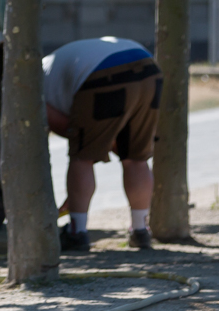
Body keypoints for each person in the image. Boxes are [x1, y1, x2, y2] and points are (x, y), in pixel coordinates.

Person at [42, 37, 162, 252]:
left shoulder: (34, 84)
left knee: (82, 158)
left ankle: (77, 232)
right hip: (147, 68)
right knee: (135, 157)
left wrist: (77, 189)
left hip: (101, 74)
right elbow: (107, 137)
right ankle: (140, 230)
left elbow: (65, 127)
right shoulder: (55, 64)